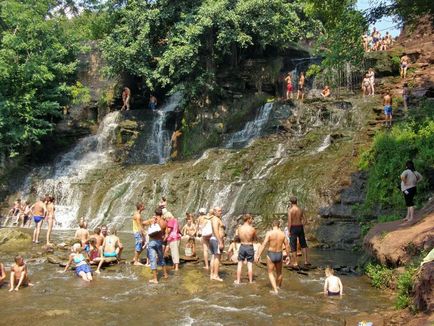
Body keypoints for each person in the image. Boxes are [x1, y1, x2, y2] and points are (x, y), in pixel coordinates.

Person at [255, 220, 290, 294]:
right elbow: (287, 245)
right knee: (279, 273)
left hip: (271, 254)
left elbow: (264, 244)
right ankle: (278, 287)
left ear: (272, 225)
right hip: (279, 254)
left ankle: (275, 290)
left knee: (270, 273)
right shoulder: (282, 234)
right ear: (279, 225)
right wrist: (288, 256)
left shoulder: (269, 233)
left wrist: (258, 255)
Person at [143, 208, 168, 284]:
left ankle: (155, 279)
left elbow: (143, 223)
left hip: (152, 242)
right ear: (161, 214)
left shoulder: (153, 220)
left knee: (153, 260)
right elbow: (166, 234)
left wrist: (151, 219)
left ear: (155, 214)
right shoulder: (164, 222)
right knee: (161, 258)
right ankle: (165, 274)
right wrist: (163, 239)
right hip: (160, 242)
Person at [234, 214, 257, 284]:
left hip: (242, 246)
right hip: (249, 246)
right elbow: (255, 238)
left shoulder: (239, 228)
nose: (252, 220)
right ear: (248, 219)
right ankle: (250, 281)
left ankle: (238, 280)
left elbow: (236, 238)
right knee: (249, 264)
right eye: (251, 219)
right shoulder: (252, 229)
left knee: (240, 264)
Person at [287, 196, 309, 267]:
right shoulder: (300, 209)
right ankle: (306, 261)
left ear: (291, 202)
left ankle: (295, 262)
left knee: (293, 245)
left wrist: (289, 230)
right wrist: (303, 224)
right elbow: (305, 219)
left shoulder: (290, 210)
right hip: (300, 227)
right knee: (303, 244)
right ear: (297, 201)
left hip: (293, 227)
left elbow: (289, 221)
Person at [209, 207, 225, 282]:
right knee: (217, 258)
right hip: (216, 240)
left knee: (213, 257)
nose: (220, 212)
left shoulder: (216, 219)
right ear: (214, 212)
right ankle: (216, 275)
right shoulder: (215, 219)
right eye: (219, 211)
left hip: (213, 239)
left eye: (221, 211)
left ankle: (212, 274)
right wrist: (220, 242)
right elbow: (215, 230)